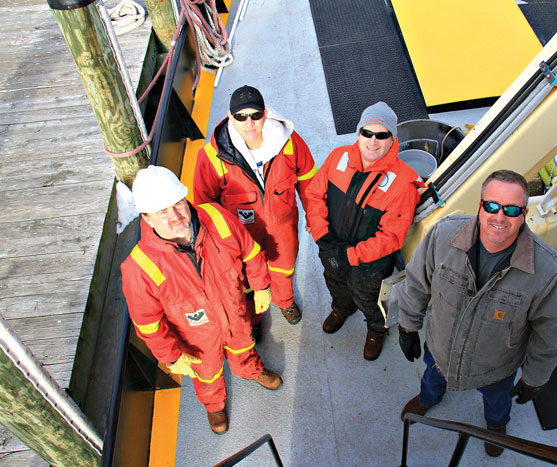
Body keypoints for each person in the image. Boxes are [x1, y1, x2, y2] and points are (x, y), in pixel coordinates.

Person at [397, 169, 557, 457]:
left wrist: (535, 378)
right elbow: (416, 282)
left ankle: (495, 426)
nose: (500, 217)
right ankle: (429, 399)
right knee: (432, 377)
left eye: (512, 210)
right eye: (491, 206)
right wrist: (407, 326)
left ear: (524, 213)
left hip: (496, 369)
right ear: (480, 206)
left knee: (497, 401)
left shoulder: (546, 272)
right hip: (440, 350)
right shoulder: (442, 236)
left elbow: (552, 333)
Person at [121, 166, 283, 435]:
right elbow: (148, 325)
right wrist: (171, 357)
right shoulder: (139, 268)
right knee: (207, 375)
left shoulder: (216, 216)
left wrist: (261, 285)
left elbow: (250, 250)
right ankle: (214, 405)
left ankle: (251, 370)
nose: (175, 217)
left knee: (243, 346)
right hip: (195, 338)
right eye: (163, 212)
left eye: (178, 204)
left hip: (234, 312)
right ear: (147, 219)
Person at [306, 102, 424, 360]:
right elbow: (314, 195)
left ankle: (376, 331)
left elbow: (391, 238)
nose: (373, 141)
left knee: (370, 300)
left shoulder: (403, 183)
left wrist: (347, 256)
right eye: (367, 133)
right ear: (358, 134)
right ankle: (341, 309)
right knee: (335, 283)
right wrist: (323, 239)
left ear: (392, 139)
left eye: (381, 135)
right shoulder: (338, 157)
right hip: (331, 248)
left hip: (369, 265)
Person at [193, 85, 317, 327]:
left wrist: (313, 214)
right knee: (245, 276)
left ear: (265, 114)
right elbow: (204, 203)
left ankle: (284, 300)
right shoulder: (211, 156)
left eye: (255, 115)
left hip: (282, 226)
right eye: (241, 116)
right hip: (240, 234)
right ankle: (254, 316)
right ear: (230, 117)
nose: (249, 123)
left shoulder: (290, 143)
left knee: (284, 266)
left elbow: (309, 179)